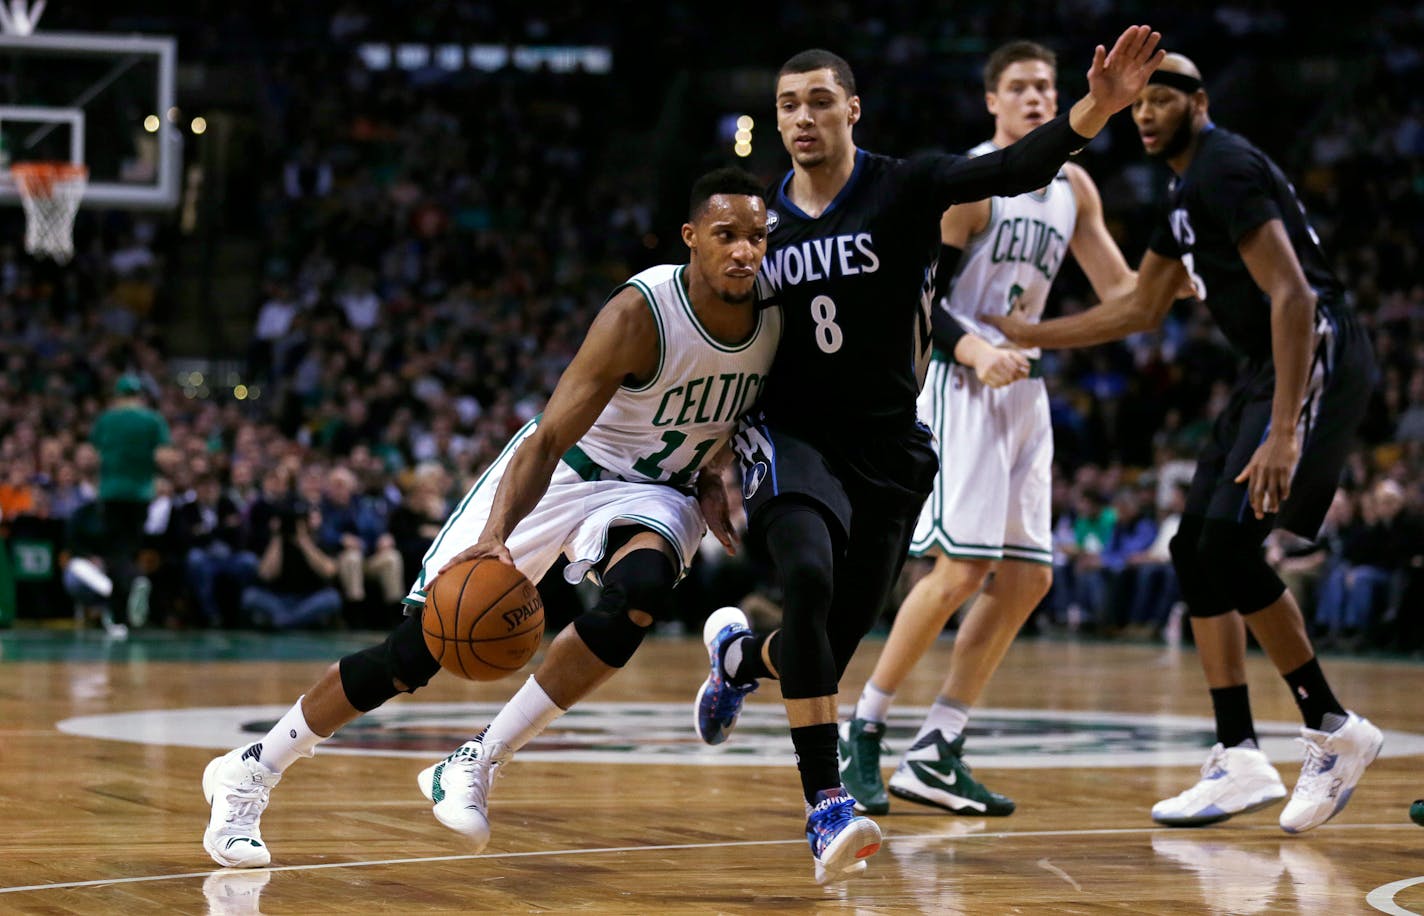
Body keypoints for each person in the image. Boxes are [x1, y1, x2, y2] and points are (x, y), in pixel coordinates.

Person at [200, 168, 779, 870]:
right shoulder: (640, 315)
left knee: (643, 592)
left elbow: (732, 408)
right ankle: (253, 771)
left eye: (756, 236)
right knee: (416, 652)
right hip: (568, 470)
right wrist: (495, 539)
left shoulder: (775, 315)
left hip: (657, 492)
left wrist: (716, 466)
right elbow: (546, 440)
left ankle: (475, 761)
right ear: (692, 238)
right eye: (727, 235)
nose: (745, 250)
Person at [690, 26, 1164, 883]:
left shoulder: (904, 187)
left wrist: (1097, 108)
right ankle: (825, 805)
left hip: (890, 447)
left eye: (819, 102)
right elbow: (725, 336)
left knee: (823, 650)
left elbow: (1015, 170)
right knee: (805, 580)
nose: (801, 118)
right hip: (793, 437)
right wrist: (713, 449)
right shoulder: (758, 221)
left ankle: (738, 660)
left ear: (852, 110)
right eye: (787, 105)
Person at [986, 53, 1383, 834]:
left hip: (1313, 354)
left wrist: (1281, 430)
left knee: (1232, 550)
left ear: (1199, 103)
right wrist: (1032, 333)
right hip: (1264, 366)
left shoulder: (1223, 168)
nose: (1144, 111)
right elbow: (1138, 309)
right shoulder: (1182, 191)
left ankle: (1333, 728)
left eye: (1163, 98)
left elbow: (1296, 294)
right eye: (1139, 102)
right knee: (1194, 550)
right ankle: (1237, 752)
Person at [833, 40, 1141, 818]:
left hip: (1021, 387)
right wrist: (973, 346)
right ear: (992, 102)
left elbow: (1119, 293)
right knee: (961, 571)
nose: (1039, 97)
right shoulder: (970, 187)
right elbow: (912, 296)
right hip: (957, 380)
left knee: (1030, 578)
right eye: (1021, 87)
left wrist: (1178, 270)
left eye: (1047, 85)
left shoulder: (1074, 185)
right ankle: (861, 729)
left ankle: (938, 746)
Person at [89, 373, 176, 630]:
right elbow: (165, 457)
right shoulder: (152, 420)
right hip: (140, 495)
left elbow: (92, 456)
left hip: (110, 492)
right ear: (140, 396)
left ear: (118, 395)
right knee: (128, 548)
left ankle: (126, 596)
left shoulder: (106, 420)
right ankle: (121, 613)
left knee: (114, 554)